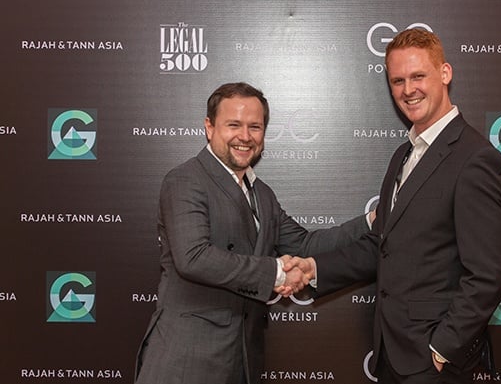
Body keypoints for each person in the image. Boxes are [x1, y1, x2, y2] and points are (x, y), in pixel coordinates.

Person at [286, 29, 501, 384]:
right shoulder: (403, 155)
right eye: (398, 80)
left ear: (445, 73)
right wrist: (313, 269)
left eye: (418, 76)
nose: (408, 90)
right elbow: (382, 245)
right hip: (392, 353)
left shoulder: (476, 159)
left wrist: (442, 349)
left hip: (434, 365)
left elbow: (487, 275)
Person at [134, 82, 373, 384]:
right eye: (233, 125)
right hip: (187, 360)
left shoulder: (262, 194)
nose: (245, 136)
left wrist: (372, 221)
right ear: (209, 127)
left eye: (255, 127)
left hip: (243, 361)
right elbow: (194, 258)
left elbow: (305, 244)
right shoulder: (185, 180)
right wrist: (277, 273)